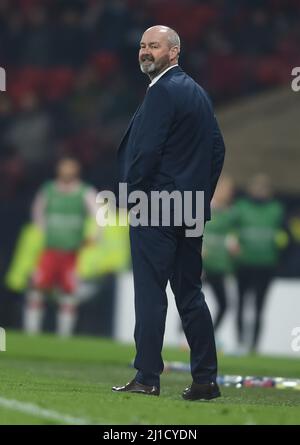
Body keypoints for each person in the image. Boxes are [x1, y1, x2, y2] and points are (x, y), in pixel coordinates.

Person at [112, 25, 225, 400]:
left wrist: (133, 196)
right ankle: (206, 380)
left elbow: (147, 153)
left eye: (154, 46)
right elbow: (217, 149)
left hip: (155, 206)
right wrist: (198, 196)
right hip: (189, 208)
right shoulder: (197, 93)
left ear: (173, 52)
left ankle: (147, 376)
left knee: (150, 292)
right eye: (143, 45)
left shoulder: (162, 91)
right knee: (190, 294)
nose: (145, 51)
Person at [24, 156, 98, 336]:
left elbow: (99, 215)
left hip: (72, 253)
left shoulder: (84, 191)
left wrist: (94, 235)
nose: (67, 172)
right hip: (50, 251)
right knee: (36, 290)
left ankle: (64, 336)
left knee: (69, 294)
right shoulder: (48, 190)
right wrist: (44, 231)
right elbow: (37, 212)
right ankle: (31, 334)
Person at [234, 173, 285, 353]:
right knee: (240, 303)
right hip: (244, 264)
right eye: (257, 187)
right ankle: (240, 343)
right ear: (250, 189)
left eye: (264, 188)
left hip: (266, 265)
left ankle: (254, 345)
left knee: (259, 307)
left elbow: (284, 236)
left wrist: (280, 252)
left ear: (269, 191)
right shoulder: (241, 207)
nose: (260, 191)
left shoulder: (276, 209)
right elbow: (231, 230)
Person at [203, 175, 239, 334]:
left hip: (219, 265)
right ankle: (183, 336)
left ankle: (210, 335)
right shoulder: (204, 208)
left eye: (229, 190)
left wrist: (233, 245)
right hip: (201, 265)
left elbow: (232, 236)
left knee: (224, 304)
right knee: (189, 300)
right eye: (223, 189)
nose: (227, 193)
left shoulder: (231, 213)